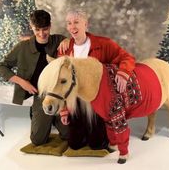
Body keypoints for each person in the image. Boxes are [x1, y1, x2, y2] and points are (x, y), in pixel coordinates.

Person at [58, 9, 135, 151]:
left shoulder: (103, 43)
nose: (72, 27)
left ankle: (101, 131)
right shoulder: (64, 50)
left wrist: (123, 73)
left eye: (76, 22)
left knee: (97, 145)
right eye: (69, 23)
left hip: (97, 101)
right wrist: (64, 110)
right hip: (75, 102)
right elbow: (61, 82)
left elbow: (127, 58)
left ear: (86, 25)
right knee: (74, 144)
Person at [0, 10, 70, 145]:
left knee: (70, 135)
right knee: (38, 140)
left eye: (45, 29)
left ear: (50, 26)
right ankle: (40, 114)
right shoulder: (22, 47)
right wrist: (22, 82)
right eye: (37, 29)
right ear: (31, 26)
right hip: (40, 95)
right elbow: (1, 67)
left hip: (60, 95)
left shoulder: (59, 40)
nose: (42, 34)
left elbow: (73, 49)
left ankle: (54, 117)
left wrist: (67, 40)